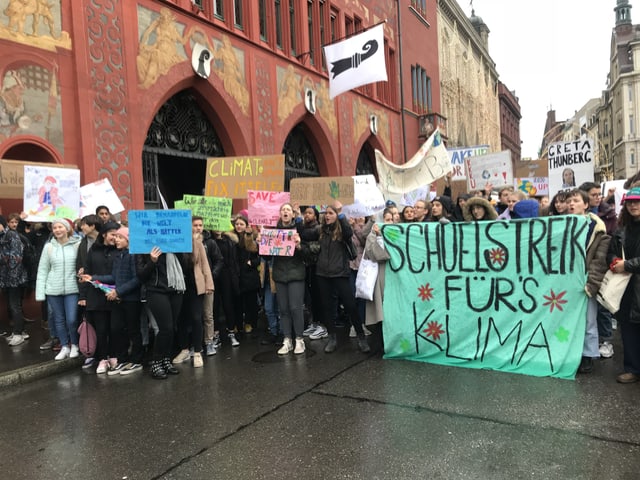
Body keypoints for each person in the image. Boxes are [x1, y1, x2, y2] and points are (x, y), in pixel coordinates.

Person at [301, 202, 370, 353]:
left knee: (350, 305)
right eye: (326, 213)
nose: (327, 216)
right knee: (327, 307)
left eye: (331, 213)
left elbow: (348, 232)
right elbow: (305, 234)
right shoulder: (320, 230)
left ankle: (361, 336)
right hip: (322, 274)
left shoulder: (342, 231)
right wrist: (298, 219)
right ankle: (332, 337)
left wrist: (340, 213)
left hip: (340, 273)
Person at [82, 227, 143, 375]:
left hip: (131, 300)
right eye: (115, 237)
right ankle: (122, 360)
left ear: (128, 239)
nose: (116, 239)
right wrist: (93, 278)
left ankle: (136, 360)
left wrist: (118, 291)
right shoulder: (119, 256)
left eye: (119, 237)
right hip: (118, 300)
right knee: (117, 330)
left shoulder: (134, 255)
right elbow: (114, 277)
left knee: (133, 330)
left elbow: (137, 279)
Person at [566, 188, 610, 374]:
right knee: (565, 318)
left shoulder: (598, 231)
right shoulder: (560, 225)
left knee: (588, 320)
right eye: (569, 201)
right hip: (564, 282)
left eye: (575, 200)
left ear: (586, 205)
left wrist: (591, 284)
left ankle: (587, 355)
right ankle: (567, 351)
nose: (571, 204)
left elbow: (599, 262)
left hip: (584, 282)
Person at [607, 185, 640, 383]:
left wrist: (626, 265)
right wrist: (613, 262)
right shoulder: (621, 230)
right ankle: (633, 369)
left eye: (637, 202)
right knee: (628, 329)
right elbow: (611, 252)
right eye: (630, 202)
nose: (633, 205)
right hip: (626, 288)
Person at [35, 218, 81, 360]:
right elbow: (43, 270)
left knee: (72, 319)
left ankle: (74, 344)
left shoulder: (77, 245)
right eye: (55, 228)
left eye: (60, 227)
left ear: (67, 229)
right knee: (58, 320)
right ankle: (64, 346)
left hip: (72, 288)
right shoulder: (49, 247)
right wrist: (40, 293)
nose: (57, 230)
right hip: (53, 289)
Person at [78, 221, 120, 373]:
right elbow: (86, 274)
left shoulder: (119, 251)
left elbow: (118, 275)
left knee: (115, 329)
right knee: (101, 329)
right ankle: (102, 358)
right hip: (96, 297)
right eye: (112, 235)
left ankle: (114, 355)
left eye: (117, 235)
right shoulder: (93, 251)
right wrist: (83, 295)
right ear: (104, 235)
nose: (115, 238)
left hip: (114, 296)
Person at [172, 229, 214, 368]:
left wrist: (209, 284)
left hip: (194, 286)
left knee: (197, 317)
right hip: (177, 287)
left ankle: (197, 351)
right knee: (181, 318)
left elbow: (204, 264)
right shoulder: (170, 244)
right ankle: (184, 349)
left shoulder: (196, 243)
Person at [270, 203, 307, 355]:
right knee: (283, 309)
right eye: (283, 209)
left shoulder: (300, 230)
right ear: (280, 214)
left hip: (296, 274)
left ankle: (299, 339)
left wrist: (299, 246)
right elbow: (266, 255)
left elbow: (308, 254)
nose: (285, 211)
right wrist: (261, 242)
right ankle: (287, 340)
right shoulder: (272, 232)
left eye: (288, 210)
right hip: (279, 275)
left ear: (293, 214)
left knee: (295, 308)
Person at [192, 216, 224, 356]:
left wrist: (212, 274)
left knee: (208, 314)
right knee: (195, 316)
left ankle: (209, 341)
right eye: (195, 225)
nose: (198, 227)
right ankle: (196, 344)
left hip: (207, 282)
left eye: (200, 225)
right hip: (193, 284)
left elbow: (218, 260)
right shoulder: (186, 242)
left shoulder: (210, 242)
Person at [0, 215, 29, 345]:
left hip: (14, 277)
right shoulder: (3, 236)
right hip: (6, 277)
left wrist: (12, 278)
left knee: (14, 305)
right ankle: (20, 331)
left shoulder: (11, 235)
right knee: (13, 305)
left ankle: (18, 334)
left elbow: (16, 257)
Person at [233, 215, 260, 336]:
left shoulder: (252, 237)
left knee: (251, 303)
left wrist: (252, 263)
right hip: (236, 275)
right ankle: (238, 324)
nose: (239, 226)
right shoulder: (230, 238)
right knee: (237, 302)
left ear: (246, 226)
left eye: (241, 224)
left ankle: (251, 323)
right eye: (237, 224)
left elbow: (259, 256)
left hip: (249, 275)